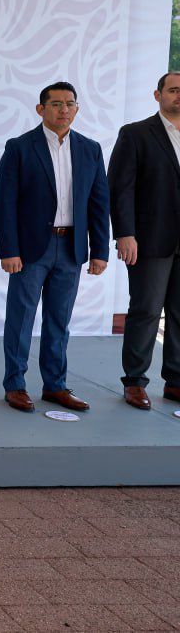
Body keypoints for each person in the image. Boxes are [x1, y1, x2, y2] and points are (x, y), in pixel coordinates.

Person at [0, 81, 109, 413]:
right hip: (31, 248)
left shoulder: (90, 149)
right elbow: (5, 202)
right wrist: (9, 250)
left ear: (77, 109)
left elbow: (99, 203)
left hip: (71, 247)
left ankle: (55, 386)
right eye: (56, 104)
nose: (63, 110)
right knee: (21, 318)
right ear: (40, 109)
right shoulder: (19, 147)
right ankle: (15, 384)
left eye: (70, 104)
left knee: (59, 320)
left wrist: (100, 250)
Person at [108, 72, 180, 410]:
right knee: (146, 310)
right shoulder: (135, 133)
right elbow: (120, 188)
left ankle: (176, 381)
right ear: (158, 95)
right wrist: (125, 233)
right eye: (174, 90)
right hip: (150, 239)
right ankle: (135, 381)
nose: (179, 96)